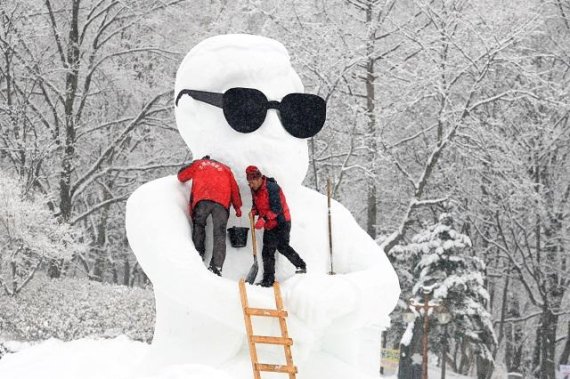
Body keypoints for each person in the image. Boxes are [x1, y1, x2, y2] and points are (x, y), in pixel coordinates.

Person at [178, 155, 242, 276]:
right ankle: (217, 266)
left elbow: (181, 177)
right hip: (221, 203)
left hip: (203, 199)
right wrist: (237, 207)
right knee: (220, 234)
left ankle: (198, 255)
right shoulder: (226, 169)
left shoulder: (198, 164)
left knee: (199, 226)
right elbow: (235, 189)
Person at [246, 165, 306, 287]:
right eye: (249, 182)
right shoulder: (254, 189)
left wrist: (263, 219)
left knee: (282, 246)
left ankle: (301, 266)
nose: (250, 185)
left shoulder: (272, 187)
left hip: (282, 221)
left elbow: (277, 208)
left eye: (252, 182)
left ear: (258, 179)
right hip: (269, 223)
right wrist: (253, 211)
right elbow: (256, 205)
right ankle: (268, 280)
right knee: (267, 252)